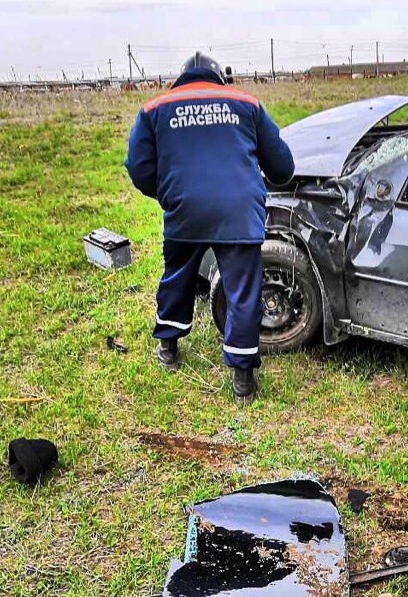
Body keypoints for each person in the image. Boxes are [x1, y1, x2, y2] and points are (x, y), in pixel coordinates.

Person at [125, 52, 294, 402]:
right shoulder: (247, 103)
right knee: (242, 290)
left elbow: (138, 167)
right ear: (220, 77)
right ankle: (242, 378)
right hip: (238, 211)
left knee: (177, 277)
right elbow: (282, 165)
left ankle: (169, 347)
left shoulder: (155, 108)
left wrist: (168, 194)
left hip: (185, 210)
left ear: (182, 77)